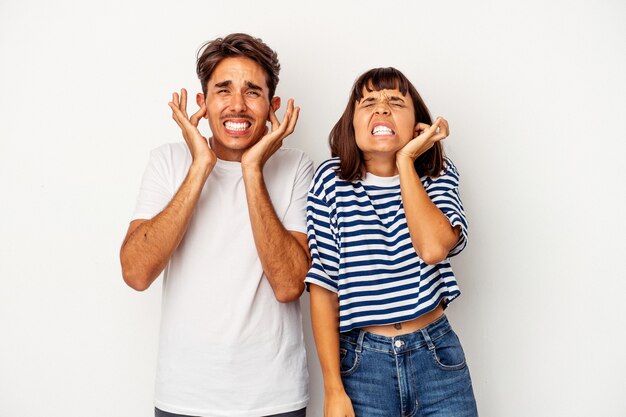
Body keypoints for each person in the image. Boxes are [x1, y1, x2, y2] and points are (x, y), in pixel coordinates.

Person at [120, 33, 312, 417]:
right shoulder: (168, 162)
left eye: (253, 92)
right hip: (184, 396)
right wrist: (201, 166)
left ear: (273, 105)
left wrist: (252, 168)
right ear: (203, 103)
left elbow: (290, 284)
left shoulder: (295, 167)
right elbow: (136, 273)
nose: (237, 105)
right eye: (223, 90)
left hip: (273, 398)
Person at [305, 67, 478, 417]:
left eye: (395, 102)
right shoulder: (329, 182)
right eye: (368, 102)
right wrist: (333, 390)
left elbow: (432, 248)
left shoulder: (438, 176)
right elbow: (324, 286)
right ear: (350, 124)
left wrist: (405, 162)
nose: (382, 109)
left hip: (436, 356)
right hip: (362, 366)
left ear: (417, 126)